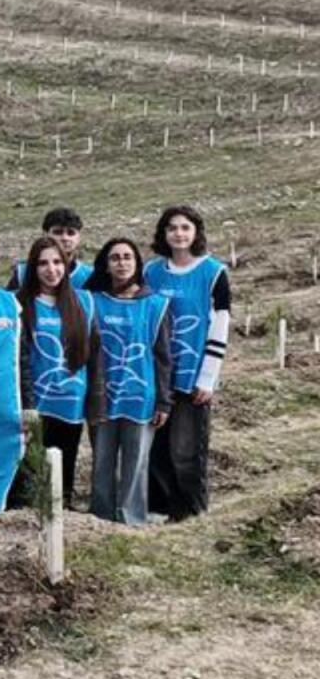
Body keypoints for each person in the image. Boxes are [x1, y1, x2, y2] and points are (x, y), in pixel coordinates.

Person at [143, 205, 231, 521]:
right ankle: (160, 507)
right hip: (156, 375)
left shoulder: (213, 272)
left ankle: (192, 511)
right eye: (171, 228)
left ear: (195, 233)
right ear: (163, 234)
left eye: (185, 227)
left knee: (187, 450)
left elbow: (220, 323)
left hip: (192, 375)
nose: (178, 233)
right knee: (157, 446)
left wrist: (208, 377)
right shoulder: (151, 272)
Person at [85, 238, 172, 525]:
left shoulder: (155, 304)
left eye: (127, 257)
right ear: (106, 265)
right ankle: (100, 517)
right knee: (102, 462)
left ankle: (132, 518)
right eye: (115, 258)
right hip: (102, 395)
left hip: (141, 395)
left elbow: (163, 357)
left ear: (137, 264)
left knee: (136, 463)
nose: (121, 262)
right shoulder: (92, 301)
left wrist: (163, 400)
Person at [14, 236, 99, 503]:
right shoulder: (20, 304)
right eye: (43, 263)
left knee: (64, 470)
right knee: (32, 472)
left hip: (72, 400)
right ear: (33, 268)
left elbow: (93, 352)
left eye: (56, 262)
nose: (51, 269)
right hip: (37, 402)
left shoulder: (84, 301)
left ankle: (63, 522)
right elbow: (19, 358)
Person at [8, 208, 94, 291]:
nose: (65, 238)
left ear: (79, 237)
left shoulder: (89, 276)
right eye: (58, 232)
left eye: (71, 233)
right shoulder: (22, 273)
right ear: (45, 234)